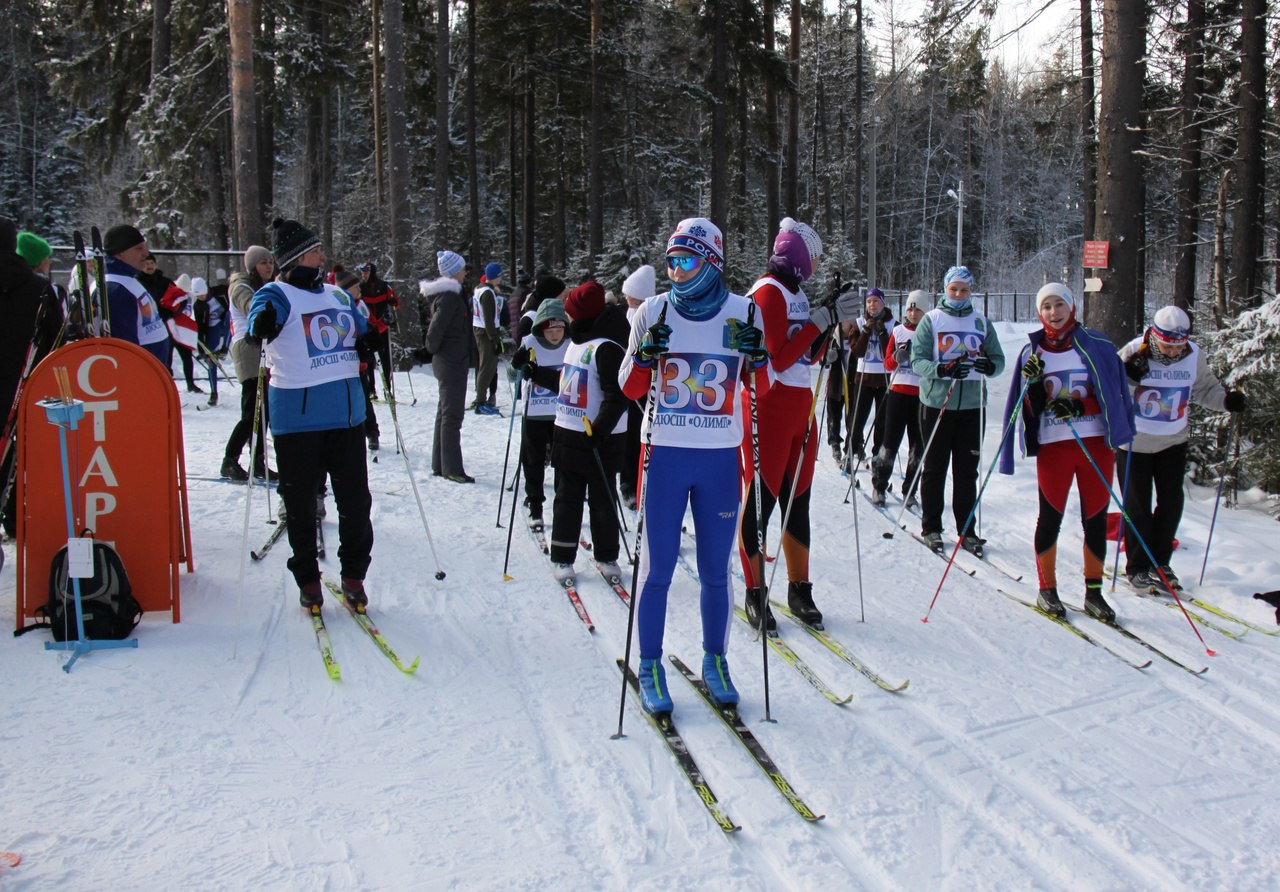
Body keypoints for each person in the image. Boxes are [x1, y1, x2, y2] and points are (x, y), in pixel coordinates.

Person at [619, 217, 770, 716]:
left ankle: (715, 660)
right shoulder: (655, 310)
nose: (675, 271)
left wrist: (759, 358)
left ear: (710, 263)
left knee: (714, 570)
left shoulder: (743, 311)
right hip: (663, 454)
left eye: (685, 261)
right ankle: (650, 664)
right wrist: (644, 355)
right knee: (657, 569)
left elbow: (761, 389)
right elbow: (629, 389)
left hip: (719, 460)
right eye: (670, 261)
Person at [246, 218, 374, 609]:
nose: (323, 255)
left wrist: (368, 342)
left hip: (346, 416)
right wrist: (262, 325)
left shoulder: (337, 294)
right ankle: (308, 581)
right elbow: (257, 323)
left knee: (356, 504)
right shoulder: (277, 293)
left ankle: (353, 576)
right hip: (297, 420)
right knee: (301, 506)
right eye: (316, 249)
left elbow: (362, 327)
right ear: (300, 256)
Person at [738, 218, 859, 632]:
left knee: (798, 499)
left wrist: (828, 327)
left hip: (799, 407)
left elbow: (805, 354)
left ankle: (799, 588)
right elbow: (775, 357)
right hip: (768, 407)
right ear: (799, 255)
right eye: (815, 256)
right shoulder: (768, 293)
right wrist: (820, 320)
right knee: (763, 501)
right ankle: (755, 593)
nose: (818, 263)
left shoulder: (795, 293)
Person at [998, 283, 1136, 620]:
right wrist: (1032, 386)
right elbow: (1029, 408)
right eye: (1046, 307)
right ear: (1039, 312)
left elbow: (1114, 393)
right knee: (1050, 517)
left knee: (1096, 519)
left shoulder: (1097, 345)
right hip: (1055, 447)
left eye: (1059, 305)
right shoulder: (1033, 352)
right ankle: (1047, 590)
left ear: (1071, 307)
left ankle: (1093, 593)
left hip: (1094, 444)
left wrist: (1080, 405)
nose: (1053, 313)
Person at [1116, 305, 1246, 593]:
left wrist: (1227, 401)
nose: (1174, 352)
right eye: (1167, 346)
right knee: (1138, 506)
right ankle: (1137, 567)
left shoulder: (1193, 355)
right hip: (1135, 442)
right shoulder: (1135, 349)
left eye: (1179, 346)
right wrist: (1127, 375)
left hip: (1173, 440)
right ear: (1155, 336)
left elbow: (1206, 389)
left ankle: (1160, 563)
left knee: (1172, 503)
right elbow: (1108, 386)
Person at [909, 265, 1005, 556]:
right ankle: (932, 527)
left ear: (971, 291)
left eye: (964, 290)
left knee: (967, 472)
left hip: (973, 406)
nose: (959, 295)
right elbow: (917, 362)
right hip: (938, 403)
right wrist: (942, 369)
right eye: (954, 289)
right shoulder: (932, 320)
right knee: (935, 468)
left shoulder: (981, 321)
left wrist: (990, 366)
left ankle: (967, 530)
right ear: (945, 290)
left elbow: (998, 359)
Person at [543, 281, 630, 582]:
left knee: (602, 500)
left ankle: (607, 556)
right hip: (568, 433)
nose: (566, 320)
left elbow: (618, 395)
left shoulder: (606, 347)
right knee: (566, 499)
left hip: (597, 440)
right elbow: (567, 384)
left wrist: (599, 430)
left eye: (569, 314)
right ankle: (562, 557)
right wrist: (534, 373)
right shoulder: (577, 342)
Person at [1, 220, 64, 536]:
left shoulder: (39, 289)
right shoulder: (40, 290)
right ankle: (12, 517)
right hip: (23, 385)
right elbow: (55, 339)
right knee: (15, 455)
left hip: (21, 383)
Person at [420, 250, 478, 483]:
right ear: (454, 272)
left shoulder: (449, 294)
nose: (465, 273)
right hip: (451, 361)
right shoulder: (451, 296)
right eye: (462, 269)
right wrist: (431, 349)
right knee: (452, 415)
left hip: (452, 359)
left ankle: (440, 463)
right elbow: (436, 328)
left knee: (444, 413)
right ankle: (452, 468)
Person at [512, 299, 570, 530]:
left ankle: (561, 505)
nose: (555, 335)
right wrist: (522, 368)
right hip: (534, 414)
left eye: (559, 329)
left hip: (561, 414)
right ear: (541, 328)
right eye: (550, 330)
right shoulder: (530, 343)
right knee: (533, 461)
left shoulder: (570, 344)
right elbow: (513, 368)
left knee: (561, 462)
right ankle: (535, 504)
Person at [222, 246, 276, 481]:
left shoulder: (265, 286)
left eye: (270, 262)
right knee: (252, 411)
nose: (268, 266)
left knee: (264, 412)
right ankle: (230, 460)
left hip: (263, 348)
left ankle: (258, 460)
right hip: (248, 347)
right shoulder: (241, 285)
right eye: (263, 262)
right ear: (252, 265)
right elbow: (251, 307)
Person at [872, 289, 929, 507]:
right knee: (890, 443)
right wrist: (896, 356)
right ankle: (879, 485)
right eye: (910, 309)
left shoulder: (929, 333)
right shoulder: (898, 331)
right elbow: (887, 364)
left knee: (917, 446)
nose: (913, 314)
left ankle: (910, 490)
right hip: (897, 392)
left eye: (918, 310)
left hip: (921, 396)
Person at [99, 224, 170, 364]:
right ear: (119, 253)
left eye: (145, 247)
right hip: (142, 372)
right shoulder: (115, 290)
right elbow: (125, 349)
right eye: (139, 249)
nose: (146, 253)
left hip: (154, 369)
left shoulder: (129, 279)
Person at [842, 287, 895, 471]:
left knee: (882, 421)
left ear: (883, 303)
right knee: (858, 419)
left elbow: (891, 353)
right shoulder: (858, 322)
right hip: (863, 378)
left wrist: (881, 333)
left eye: (876, 301)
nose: (872, 305)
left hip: (884, 380)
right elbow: (857, 352)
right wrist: (865, 331)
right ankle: (849, 452)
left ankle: (876, 456)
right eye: (869, 302)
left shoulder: (892, 324)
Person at [618, 264, 656, 510]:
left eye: (629, 294)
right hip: (624, 383)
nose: (625, 298)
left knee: (639, 437)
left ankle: (641, 484)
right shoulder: (622, 315)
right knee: (628, 438)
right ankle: (628, 483)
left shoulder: (647, 315)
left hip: (645, 386)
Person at [337, 269, 381, 453]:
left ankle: (372, 433)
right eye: (355, 286)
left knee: (363, 399)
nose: (359, 288)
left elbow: (369, 326)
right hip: (346, 363)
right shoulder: (342, 306)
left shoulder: (359, 304)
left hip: (361, 361)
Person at [356, 262, 400, 400]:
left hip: (382, 328)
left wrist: (393, 302)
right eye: (362, 272)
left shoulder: (383, 286)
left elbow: (395, 302)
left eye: (366, 272)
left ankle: (388, 390)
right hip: (369, 329)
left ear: (372, 272)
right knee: (370, 360)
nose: (363, 275)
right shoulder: (360, 288)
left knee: (386, 359)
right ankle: (371, 390)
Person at [470, 262, 505, 415]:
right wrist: (495, 339)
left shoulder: (480, 288)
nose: (501, 278)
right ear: (495, 277)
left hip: (480, 330)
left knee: (486, 366)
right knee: (487, 367)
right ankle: (480, 401)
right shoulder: (487, 293)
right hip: (486, 333)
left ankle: (480, 399)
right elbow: (488, 319)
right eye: (500, 275)